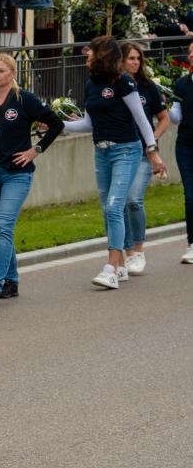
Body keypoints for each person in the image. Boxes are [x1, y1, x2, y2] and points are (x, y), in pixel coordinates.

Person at [63, 36, 165, 289]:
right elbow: (88, 124)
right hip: (102, 152)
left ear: (103, 54)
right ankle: (120, 267)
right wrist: (57, 124)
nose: (86, 54)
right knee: (107, 208)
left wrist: (152, 151)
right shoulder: (91, 83)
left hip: (126, 150)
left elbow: (141, 119)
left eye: (90, 51)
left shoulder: (123, 81)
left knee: (113, 206)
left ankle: (110, 269)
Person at [0, 53, 64, 304]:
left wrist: (35, 150)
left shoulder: (24, 100)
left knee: (4, 226)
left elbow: (56, 124)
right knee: (1, 229)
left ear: (12, 73)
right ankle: (12, 281)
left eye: (1, 71)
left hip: (17, 174)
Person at [120, 41, 170, 274]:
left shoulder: (148, 87)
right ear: (120, 60)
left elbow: (164, 118)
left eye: (138, 58)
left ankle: (138, 250)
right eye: (131, 58)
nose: (135, 62)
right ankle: (127, 252)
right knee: (119, 203)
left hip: (143, 154)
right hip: (119, 152)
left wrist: (152, 140)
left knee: (133, 199)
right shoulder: (113, 86)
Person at [165, 40, 193, 264]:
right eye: (190, 51)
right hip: (185, 144)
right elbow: (176, 118)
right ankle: (192, 244)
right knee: (190, 195)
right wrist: (164, 106)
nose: (191, 55)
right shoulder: (181, 84)